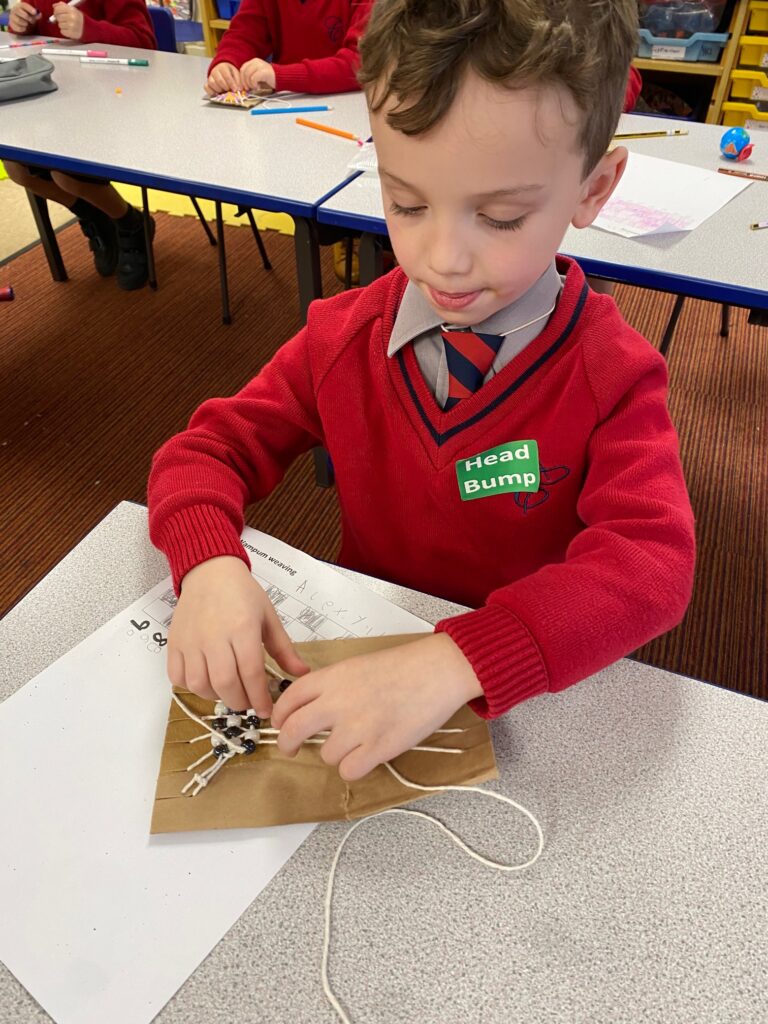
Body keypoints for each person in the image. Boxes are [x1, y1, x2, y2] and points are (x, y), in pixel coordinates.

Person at [148, 0, 696, 784]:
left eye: (501, 217)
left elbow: (651, 566)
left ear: (594, 188)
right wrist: (208, 565)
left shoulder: (613, 373)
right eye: (405, 203)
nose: (442, 260)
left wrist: (456, 660)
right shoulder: (342, 338)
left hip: (525, 701)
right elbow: (205, 451)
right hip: (363, 661)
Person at [5, 0, 157, 290]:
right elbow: (29, 39)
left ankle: (130, 223)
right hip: (54, 99)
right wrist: (19, 23)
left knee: (65, 173)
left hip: (114, 100)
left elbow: (146, 42)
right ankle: (96, 215)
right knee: (17, 168)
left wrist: (89, 28)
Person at [205, 0, 374, 96]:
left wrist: (280, 76)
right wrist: (226, 62)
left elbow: (362, 64)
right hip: (286, 107)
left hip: (348, 106)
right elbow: (244, 34)